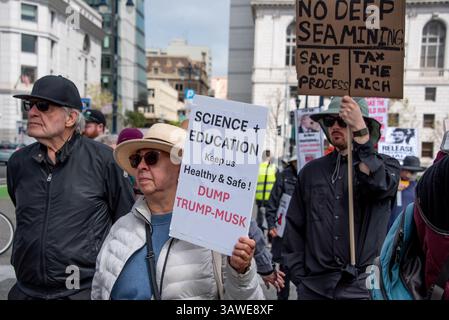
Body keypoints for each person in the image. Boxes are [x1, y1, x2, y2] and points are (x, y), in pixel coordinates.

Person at [91, 123, 265, 300]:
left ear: (182, 167)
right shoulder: (121, 228)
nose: (141, 166)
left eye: (151, 158)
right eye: (136, 159)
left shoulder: (214, 231)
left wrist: (241, 272)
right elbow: (98, 290)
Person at [7, 75, 134, 300]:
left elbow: (126, 225)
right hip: (25, 291)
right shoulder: (19, 163)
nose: (33, 112)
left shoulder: (105, 161)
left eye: (43, 106)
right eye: (30, 105)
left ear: (71, 118)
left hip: (80, 291)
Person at [283, 96, 400, 300]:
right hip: (315, 288)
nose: (335, 126)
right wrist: (300, 278)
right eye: (330, 121)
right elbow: (294, 227)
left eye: (343, 121)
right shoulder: (311, 172)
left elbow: (378, 184)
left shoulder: (387, 166)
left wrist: (362, 136)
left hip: (362, 288)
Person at [370, 156, 449, 300]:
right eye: (408, 171)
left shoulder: (419, 188)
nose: (410, 175)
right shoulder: (416, 190)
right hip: (400, 239)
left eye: (412, 172)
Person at [265, 154, 298, 300]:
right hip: (285, 236)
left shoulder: (311, 175)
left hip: (303, 239)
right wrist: (271, 225)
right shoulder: (284, 176)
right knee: (284, 274)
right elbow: (272, 203)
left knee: (304, 281)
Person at [388, 156, 425, 230]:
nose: (410, 175)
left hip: (409, 223)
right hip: (392, 223)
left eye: (414, 172)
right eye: (409, 171)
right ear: (402, 170)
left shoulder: (417, 186)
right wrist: (393, 188)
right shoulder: (391, 182)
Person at [255, 150, 277, 231]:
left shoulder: (258, 167)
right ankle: (269, 239)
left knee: (259, 220)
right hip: (270, 199)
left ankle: (258, 238)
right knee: (269, 219)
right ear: (270, 157)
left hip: (259, 199)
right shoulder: (274, 168)